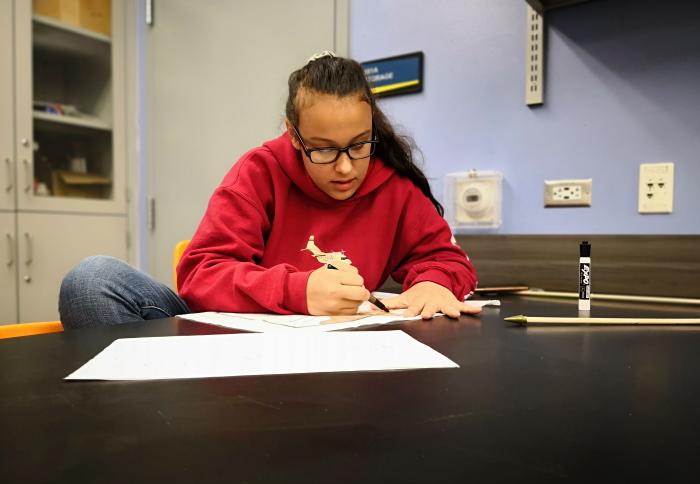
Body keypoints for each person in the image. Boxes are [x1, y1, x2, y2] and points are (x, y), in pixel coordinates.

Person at [59, 52, 480, 329]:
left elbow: (446, 258)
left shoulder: (396, 187)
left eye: (359, 145)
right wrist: (298, 291)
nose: (346, 167)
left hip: (341, 358)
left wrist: (435, 282)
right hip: (236, 339)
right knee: (91, 280)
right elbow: (199, 274)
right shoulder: (259, 172)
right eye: (323, 150)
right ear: (294, 136)